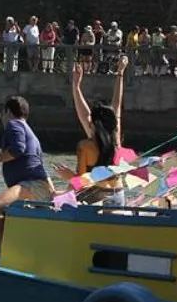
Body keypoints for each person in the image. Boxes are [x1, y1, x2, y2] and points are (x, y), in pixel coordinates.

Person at [0, 96, 54, 241]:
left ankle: (4, 250)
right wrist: (51, 190)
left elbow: (18, 149)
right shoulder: (29, 132)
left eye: (2, 113)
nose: (1, 117)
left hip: (30, 184)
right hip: (38, 185)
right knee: (9, 214)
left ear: (8, 112)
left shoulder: (13, 124)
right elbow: (36, 161)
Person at [53, 55, 128, 205]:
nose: (87, 120)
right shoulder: (115, 136)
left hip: (96, 196)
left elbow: (81, 182)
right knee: (63, 192)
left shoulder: (86, 146)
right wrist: (120, 72)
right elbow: (117, 104)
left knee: (61, 193)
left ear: (94, 125)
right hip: (118, 195)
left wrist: (68, 175)